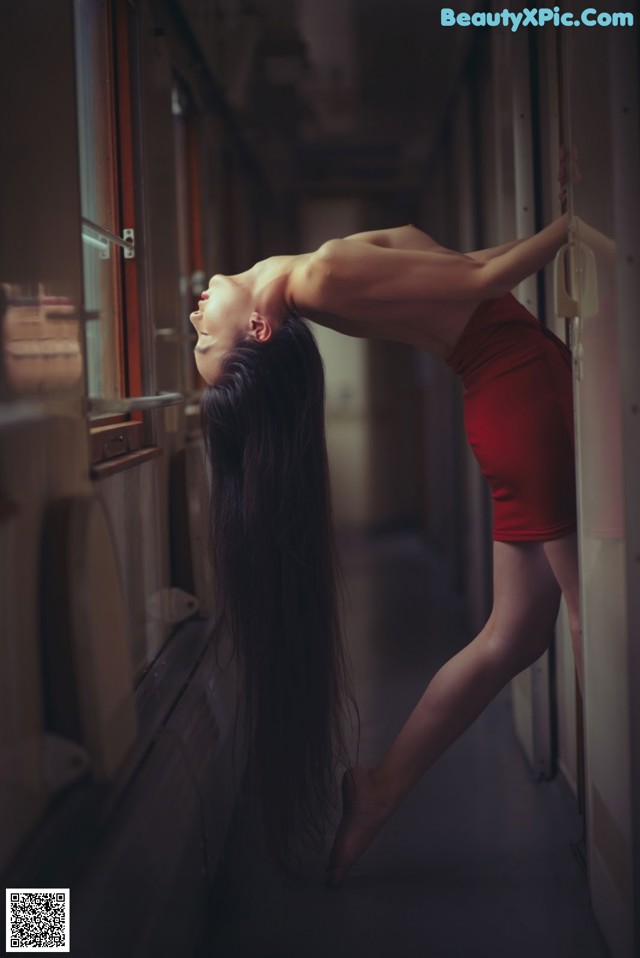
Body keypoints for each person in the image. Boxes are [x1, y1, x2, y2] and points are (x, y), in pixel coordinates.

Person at [194, 214, 581, 885]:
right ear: (257, 329)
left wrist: (559, 226)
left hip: (505, 397)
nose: (194, 319)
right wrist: (583, 222)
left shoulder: (312, 279)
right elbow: (483, 278)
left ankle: (380, 788)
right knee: (594, 618)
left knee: (515, 636)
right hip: (521, 396)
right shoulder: (317, 278)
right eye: (204, 342)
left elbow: (466, 271)